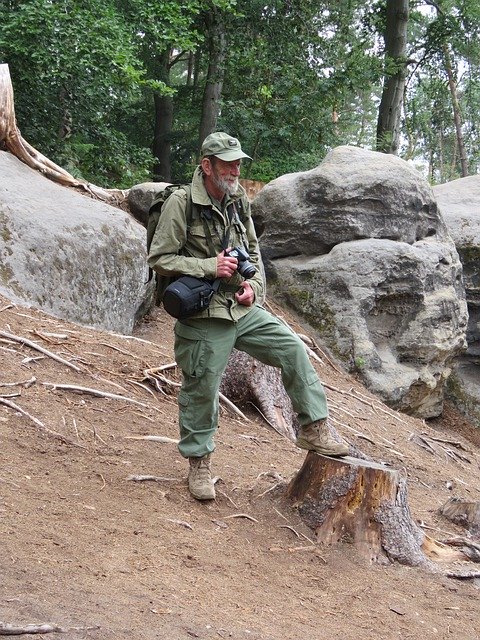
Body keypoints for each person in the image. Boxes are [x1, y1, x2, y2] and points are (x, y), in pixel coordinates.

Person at [148, 132, 349, 501]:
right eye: (228, 163)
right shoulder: (181, 202)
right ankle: (199, 463)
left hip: (241, 307)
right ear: (207, 166)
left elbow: (253, 250)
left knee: (291, 348)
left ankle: (314, 427)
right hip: (204, 311)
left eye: (238, 162)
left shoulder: (238, 198)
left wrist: (256, 288)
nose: (236, 168)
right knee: (203, 386)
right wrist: (210, 265)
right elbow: (160, 258)